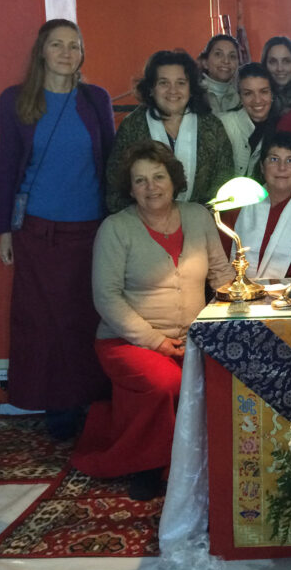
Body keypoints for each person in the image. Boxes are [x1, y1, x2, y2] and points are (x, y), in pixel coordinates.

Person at [72, 140, 234, 500]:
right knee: (167, 383)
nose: (151, 187)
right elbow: (106, 297)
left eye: (158, 177)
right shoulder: (115, 228)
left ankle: (211, 462)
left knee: (229, 378)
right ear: (130, 189)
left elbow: (221, 274)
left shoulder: (198, 216)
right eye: (140, 180)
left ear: (174, 180)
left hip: (191, 338)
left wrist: (245, 306)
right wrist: (155, 341)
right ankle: (149, 466)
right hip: (125, 341)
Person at [0, 18, 114, 438]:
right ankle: (57, 407)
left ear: (82, 53)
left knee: (86, 318)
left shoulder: (96, 99)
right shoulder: (15, 100)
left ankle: (90, 400)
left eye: (74, 45)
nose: (66, 53)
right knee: (43, 324)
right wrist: (4, 229)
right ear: (41, 52)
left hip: (91, 231)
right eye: (57, 45)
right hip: (37, 232)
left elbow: (111, 161)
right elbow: (7, 167)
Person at [106, 50, 235, 212]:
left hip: (200, 219)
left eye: (181, 83)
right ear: (151, 88)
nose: (173, 90)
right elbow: (115, 185)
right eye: (163, 83)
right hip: (143, 220)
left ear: (191, 88)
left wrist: (198, 216)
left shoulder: (211, 126)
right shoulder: (132, 126)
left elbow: (224, 179)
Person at [224, 132, 291, 278]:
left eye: (290, 160)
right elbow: (220, 262)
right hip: (237, 289)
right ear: (262, 167)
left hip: (290, 291)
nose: (282, 167)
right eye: (274, 159)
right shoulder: (237, 203)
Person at [217, 63, 280, 178]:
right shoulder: (223, 124)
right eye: (248, 93)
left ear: (272, 94)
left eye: (263, 91)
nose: (257, 100)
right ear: (240, 97)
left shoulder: (281, 127)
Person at [261, 36, 291, 115]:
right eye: (273, 61)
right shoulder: (256, 99)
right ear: (265, 64)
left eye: (286, 61)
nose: (280, 68)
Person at [199, 34, 241, 113]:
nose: (226, 61)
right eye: (218, 54)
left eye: (232, 56)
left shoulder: (241, 99)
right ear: (205, 63)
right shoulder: (194, 95)